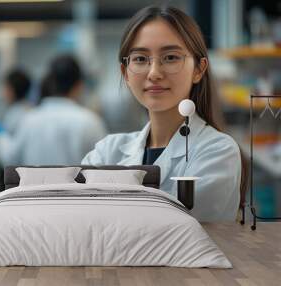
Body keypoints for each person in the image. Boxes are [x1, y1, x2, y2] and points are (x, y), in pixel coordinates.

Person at [81, 6, 244, 222]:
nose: (154, 73)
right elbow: (79, 216)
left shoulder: (218, 151)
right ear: (125, 72)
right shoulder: (107, 152)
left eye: (170, 58)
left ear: (198, 69)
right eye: (140, 59)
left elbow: (174, 227)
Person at [0, 54, 107, 165]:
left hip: (34, 182)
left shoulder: (29, 120)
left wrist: (0, 138)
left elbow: (11, 159)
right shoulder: (89, 122)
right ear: (79, 85)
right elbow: (103, 164)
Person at [1, 68, 33, 135]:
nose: (2, 92)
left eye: (5, 88)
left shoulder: (14, 115)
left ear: (11, 90)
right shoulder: (30, 109)